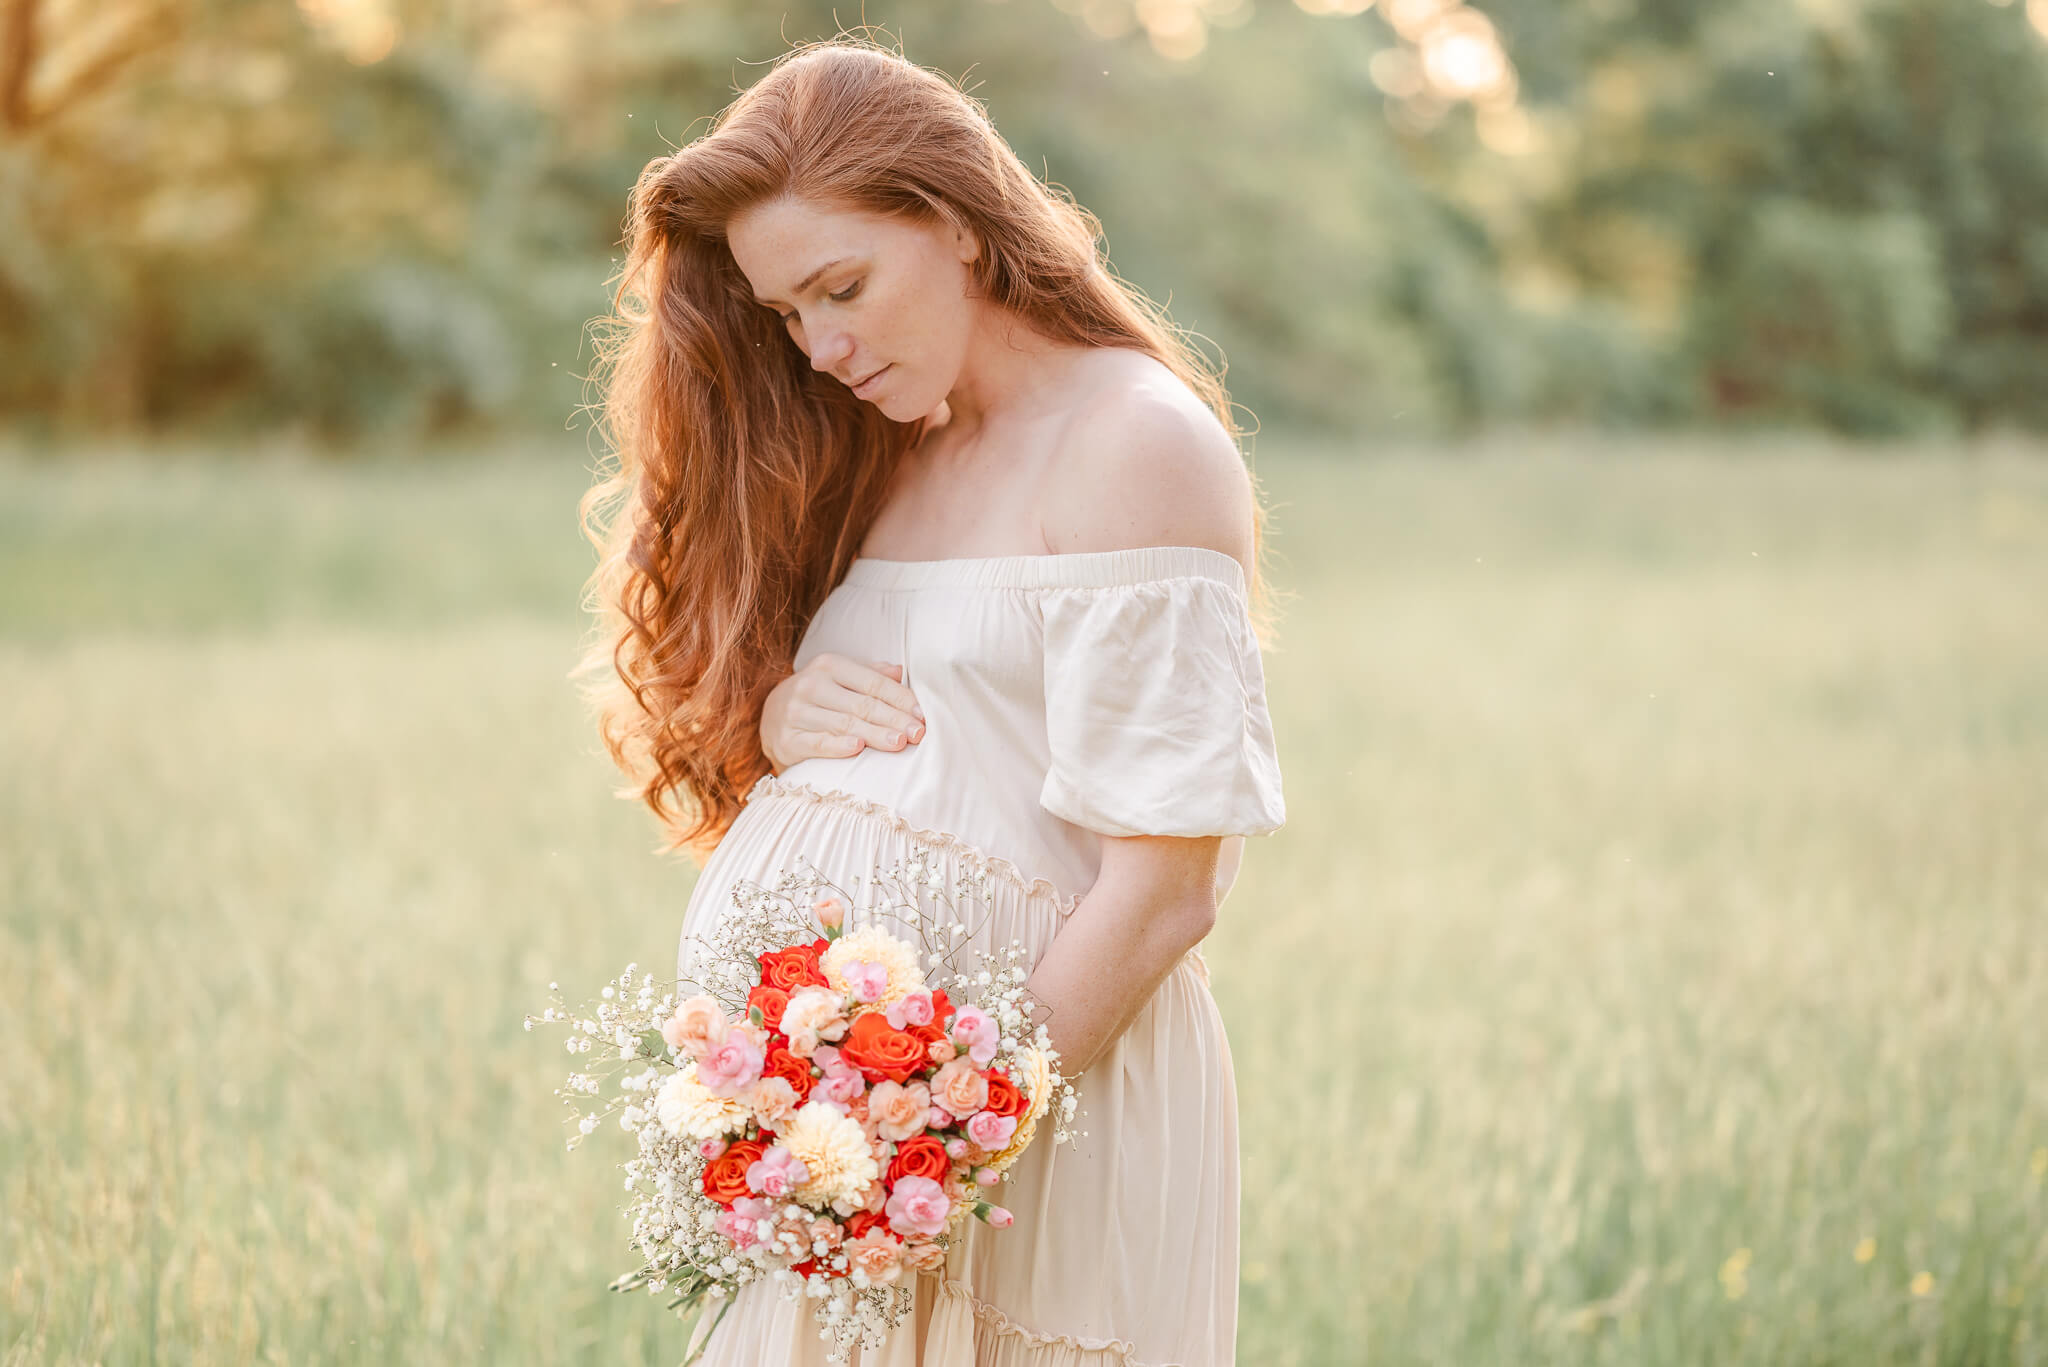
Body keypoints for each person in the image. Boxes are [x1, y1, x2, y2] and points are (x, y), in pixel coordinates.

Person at [573, 35, 1288, 1367]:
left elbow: (1168, 885)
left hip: (1022, 1131)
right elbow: (883, 710)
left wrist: (946, 1135)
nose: (823, 347)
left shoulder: (1131, 442)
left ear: (956, 225)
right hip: (851, 1155)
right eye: (788, 316)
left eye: (843, 287)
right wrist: (777, 718)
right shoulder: (883, 444)